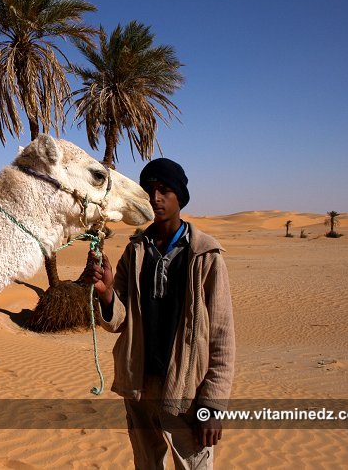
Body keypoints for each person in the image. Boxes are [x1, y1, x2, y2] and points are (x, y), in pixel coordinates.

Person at [82, 158, 235, 469]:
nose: (156, 198)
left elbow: (222, 335)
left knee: (194, 464)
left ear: (180, 196)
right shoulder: (136, 250)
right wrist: (108, 293)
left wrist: (213, 407)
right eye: (150, 190)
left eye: (164, 190)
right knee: (146, 463)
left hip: (186, 390)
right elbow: (119, 321)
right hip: (139, 384)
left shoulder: (205, 255)